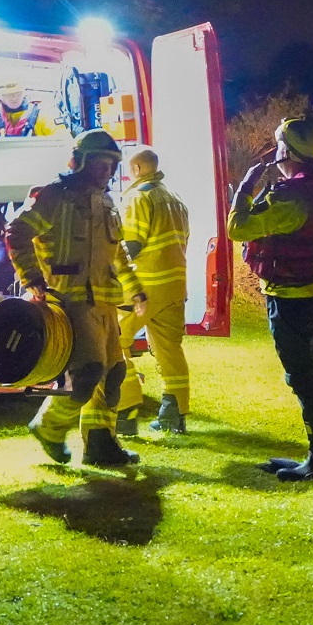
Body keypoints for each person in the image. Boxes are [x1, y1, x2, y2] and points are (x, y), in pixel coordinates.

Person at [6, 129, 138, 469]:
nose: (105, 169)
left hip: (105, 301)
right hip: (70, 300)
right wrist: (33, 279)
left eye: (110, 163)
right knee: (88, 372)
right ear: (79, 162)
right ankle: (48, 427)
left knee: (113, 374)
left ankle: (99, 444)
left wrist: (135, 286)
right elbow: (17, 233)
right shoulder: (53, 197)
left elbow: (118, 252)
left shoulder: (107, 201)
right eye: (98, 162)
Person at [228, 116, 313, 482]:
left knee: (304, 378)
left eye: (279, 145)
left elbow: (237, 228)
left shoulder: (290, 197)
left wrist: (246, 186)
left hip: (295, 298)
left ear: (286, 151)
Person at [114, 148, 191, 436]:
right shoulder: (176, 200)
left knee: (113, 341)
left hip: (144, 287)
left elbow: (130, 245)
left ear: (136, 169)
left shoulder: (138, 197)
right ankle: (175, 413)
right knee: (170, 348)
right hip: (174, 287)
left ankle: (127, 407)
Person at [0, 79, 58, 291]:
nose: (13, 97)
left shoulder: (39, 116)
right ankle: (5, 234)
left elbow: (60, 136)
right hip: (0, 180)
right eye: (9, 94)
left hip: (29, 182)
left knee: (31, 222)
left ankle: (20, 245)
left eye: (17, 93)